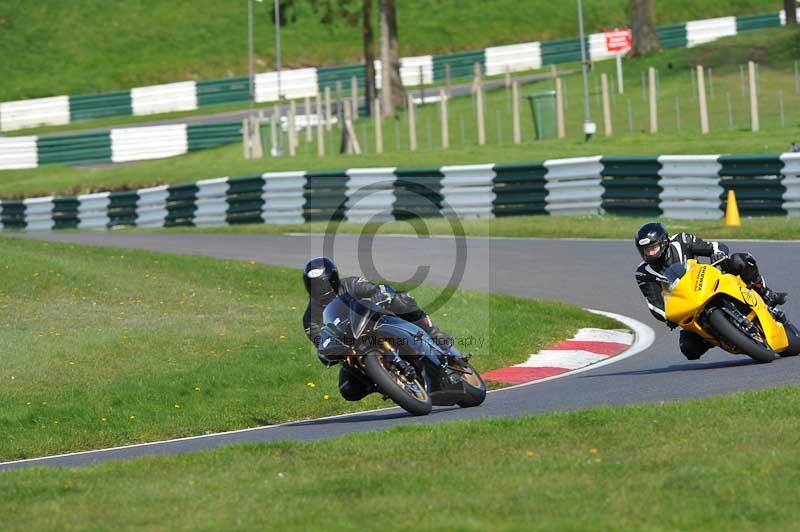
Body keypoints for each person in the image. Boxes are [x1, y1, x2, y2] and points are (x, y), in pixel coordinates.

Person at [302, 256, 454, 401]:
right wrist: (326, 352)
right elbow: (320, 341)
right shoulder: (309, 318)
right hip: (352, 347)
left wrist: (379, 295)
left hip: (375, 324)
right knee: (347, 389)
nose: (321, 289)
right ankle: (386, 382)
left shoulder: (350, 284)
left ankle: (433, 333)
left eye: (324, 283)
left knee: (402, 300)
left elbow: (377, 288)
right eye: (315, 285)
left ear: (334, 279)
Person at [634, 222, 787, 360]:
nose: (650, 253)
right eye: (646, 250)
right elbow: (654, 304)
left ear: (664, 242)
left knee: (740, 260)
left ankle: (765, 292)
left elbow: (713, 246)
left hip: (706, 282)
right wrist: (669, 318)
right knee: (689, 349)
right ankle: (717, 336)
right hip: (688, 306)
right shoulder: (643, 273)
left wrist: (718, 253)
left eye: (653, 248)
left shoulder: (681, 240)